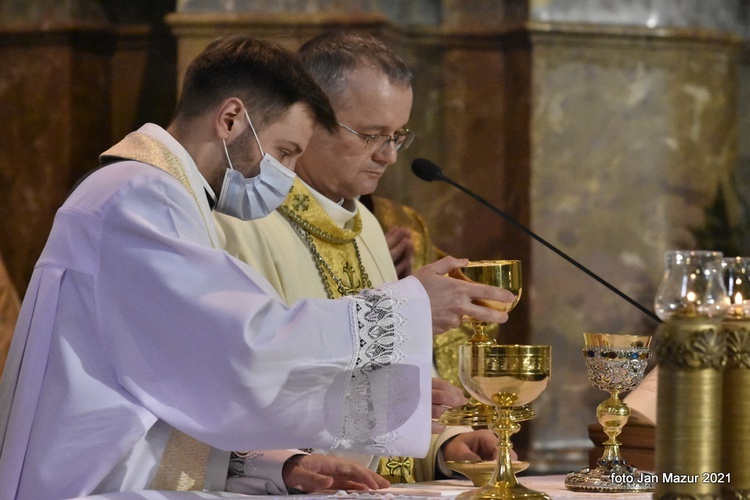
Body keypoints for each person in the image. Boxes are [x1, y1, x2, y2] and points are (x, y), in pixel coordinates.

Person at [0, 35, 514, 498]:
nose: (288, 175)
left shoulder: (164, 196)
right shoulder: (139, 196)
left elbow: (191, 380)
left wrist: (280, 467)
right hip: (98, 482)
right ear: (229, 120)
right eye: (286, 151)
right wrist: (407, 309)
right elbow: (242, 349)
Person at [215, 31, 502, 494]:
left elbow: (391, 399)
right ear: (308, 118)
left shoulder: (366, 226)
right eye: (371, 135)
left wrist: (446, 445)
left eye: (397, 136)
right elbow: (237, 380)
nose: (388, 156)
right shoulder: (241, 223)